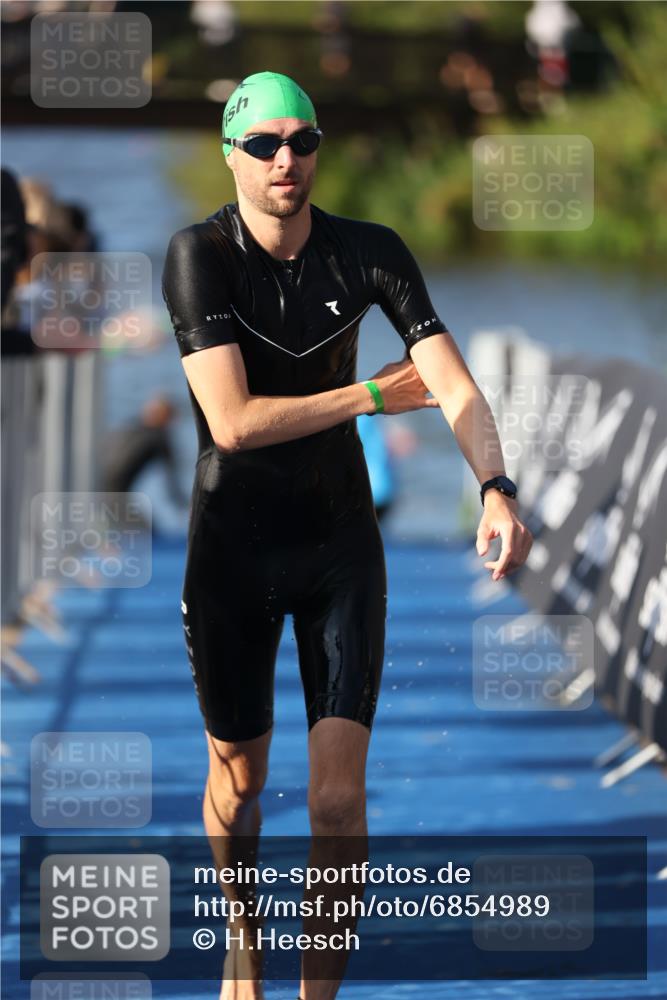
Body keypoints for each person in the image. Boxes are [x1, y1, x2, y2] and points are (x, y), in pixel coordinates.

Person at [162, 71, 532, 1000]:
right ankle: (243, 942)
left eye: (303, 141)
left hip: (337, 545)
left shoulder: (369, 251)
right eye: (263, 144)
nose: (285, 159)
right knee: (238, 782)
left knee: (334, 801)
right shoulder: (198, 254)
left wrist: (494, 488)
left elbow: (451, 384)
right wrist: (368, 395)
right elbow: (233, 424)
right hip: (232, 549)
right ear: (231, 156)